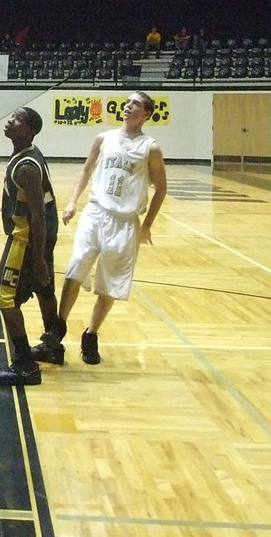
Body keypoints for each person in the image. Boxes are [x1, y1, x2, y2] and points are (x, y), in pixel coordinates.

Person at [54, 91, 167, 366]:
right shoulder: (104, 138)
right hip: (95, 212)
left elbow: (161, 188)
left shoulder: (150, 148)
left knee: (109, 285)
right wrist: (72, 202)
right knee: (75, 269)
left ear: (147, 113)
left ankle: (91, 335)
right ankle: (56, 332)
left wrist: (147, 225)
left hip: (125, 221)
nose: (128, 107)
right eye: (127, 102)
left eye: (135, 104)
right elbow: (86, 170)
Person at [0, 107, 63, 386]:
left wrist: (39, 258)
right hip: (41, 238)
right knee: (45, 289)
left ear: (30, 129)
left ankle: (25, 365)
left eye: (18, 119)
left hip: (26, 239)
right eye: (12, 116)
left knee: (5, 298)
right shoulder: (29, 153)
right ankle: (52, 346)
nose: (10, 120)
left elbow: (38, 214)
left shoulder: (26, 167)